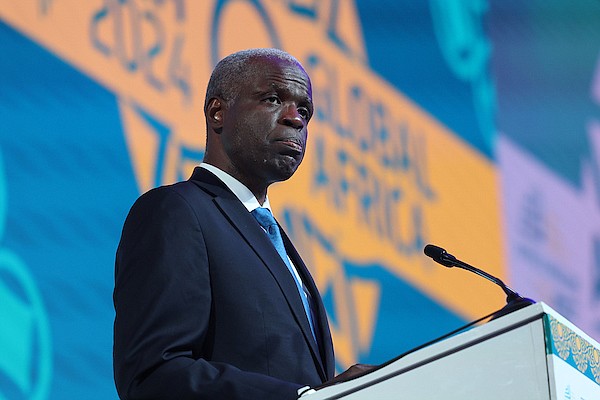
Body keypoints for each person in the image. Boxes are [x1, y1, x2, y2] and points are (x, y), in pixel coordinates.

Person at [113, 48, 371, 400]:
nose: (296, 119)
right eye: (273, 99)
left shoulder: (276, 240)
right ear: (217, 112)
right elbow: (155, 373)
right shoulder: (176, 211)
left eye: (306, 111)